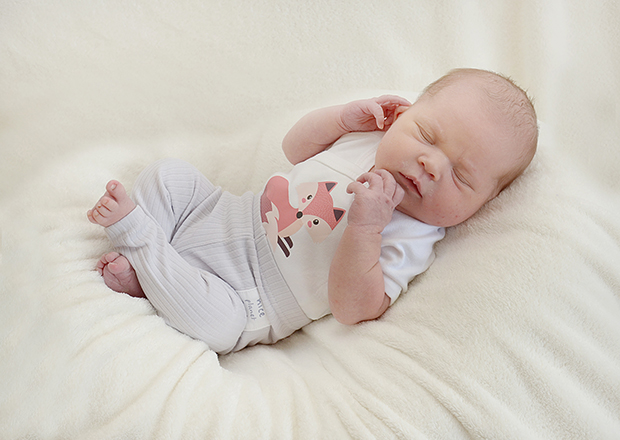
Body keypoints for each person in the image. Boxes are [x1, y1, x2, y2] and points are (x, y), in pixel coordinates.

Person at [87, 68, 538, 354]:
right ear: (403, 115)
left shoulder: (413, 237)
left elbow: (353, 308)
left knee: (218, 328)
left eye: (461, 176)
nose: (432, 164)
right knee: (170, 175)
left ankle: (142, 245)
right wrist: (340, 120)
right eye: (427, 135)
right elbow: (294, 149)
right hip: (222, 212)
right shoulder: (369, 139)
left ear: (482, 206)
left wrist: (366, 228)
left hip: (250, 297)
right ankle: (155, 270)